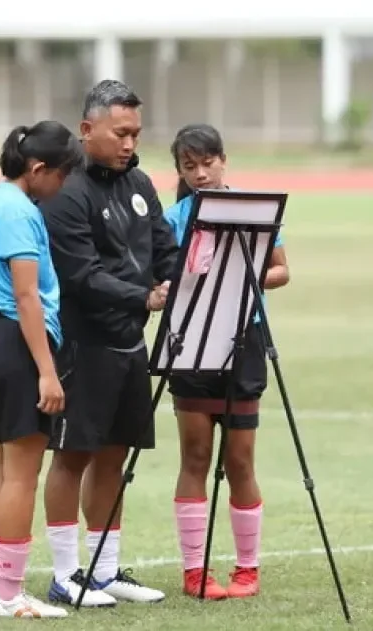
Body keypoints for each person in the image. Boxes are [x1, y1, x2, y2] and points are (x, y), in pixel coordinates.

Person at [39, 80, 178, 608]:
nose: (129, 143)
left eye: (135, 133)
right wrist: (144, 296)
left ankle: (104, 570)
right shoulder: (67, 192)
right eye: (120, 133)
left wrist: (178, 278)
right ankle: (64, 573)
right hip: (83, 344)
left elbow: (163, 247)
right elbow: (80, 274)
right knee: (72, 456)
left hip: (129, 344)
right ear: (87, 129)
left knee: (114, 456)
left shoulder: (139, 182)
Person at [162, 124, 290, 601]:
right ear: (179, 171)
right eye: (189, 166)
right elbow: (159, 275)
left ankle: (247, 569)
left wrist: (243, 275)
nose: (200, 173)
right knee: (195, 455)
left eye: (207, 163)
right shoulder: (173, 219)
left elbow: (281, 270)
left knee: (240, 460)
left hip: (244, 339)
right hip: (191, 341)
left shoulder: (255, 211)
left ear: (223, 160)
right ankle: (194, 571)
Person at [0, 120, 84, 619]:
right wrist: (47, 371)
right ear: (37, 169)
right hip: (17, 344)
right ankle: (10, 595)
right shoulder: (19, 212)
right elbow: (26, 294)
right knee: (22, 475)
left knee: (3, 468)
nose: (63, 185)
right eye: (61, 175)